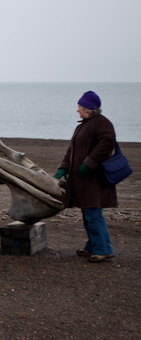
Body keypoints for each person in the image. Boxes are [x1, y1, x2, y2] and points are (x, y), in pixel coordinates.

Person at [54, 91, 117, 262]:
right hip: (82, 180)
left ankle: (103, 249)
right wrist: (63, 168)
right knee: (88, 212)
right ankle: (92, 246)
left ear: (89, 108)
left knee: (93, 213)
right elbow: (71, 150)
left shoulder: (102, 123)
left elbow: (107, 143)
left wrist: (89, 164)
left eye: (80, 107)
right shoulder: (83, 125)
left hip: (94, 179)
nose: (77, 110)